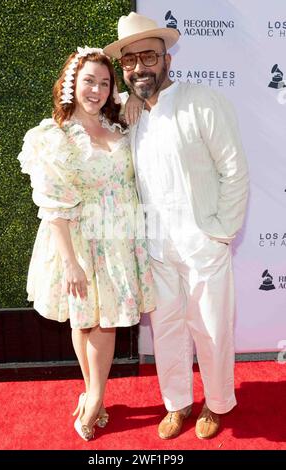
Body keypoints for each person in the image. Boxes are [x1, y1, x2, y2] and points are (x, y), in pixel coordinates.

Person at [104, 13, 249, 440]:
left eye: (148, 56)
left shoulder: (203, 101)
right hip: (155, 246)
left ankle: (216, 402)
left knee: (211, 326)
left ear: (167, 59)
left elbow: (234, 170)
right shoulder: (133, 118)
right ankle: (177, 403)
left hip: (202, 239)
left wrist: (220, 231)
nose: (139, 68)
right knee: (166, 328)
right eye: (129, 62)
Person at [17, 45, 155, 441]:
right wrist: (71, 263)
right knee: (87, 317)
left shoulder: (119, 125)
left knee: (104, 319)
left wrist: (133, 103)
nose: (96, 90)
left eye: (105, 83)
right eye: (89, 81)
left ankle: (94, 395)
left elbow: (148, 91)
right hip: (78, 240)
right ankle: (95, 394)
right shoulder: (52, 138)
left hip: (117, 237)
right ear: (72, 84)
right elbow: (53, 208)